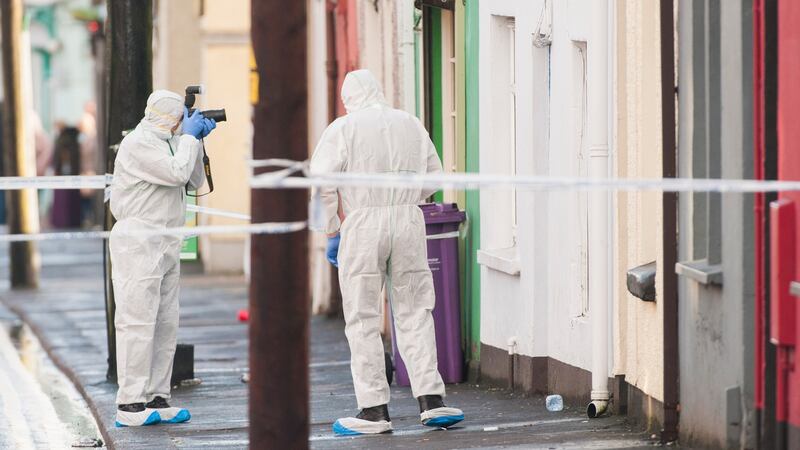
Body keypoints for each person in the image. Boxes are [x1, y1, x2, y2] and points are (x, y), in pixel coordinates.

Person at [310, 69, 464, 436]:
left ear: (349, 99)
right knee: (415, 309)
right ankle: (431, 400)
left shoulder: (342, 129)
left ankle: (374, 410)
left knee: (362, 317)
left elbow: (322, 184)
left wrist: (331, 228)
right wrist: (405, 200)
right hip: (409, 221)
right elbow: (432, 178)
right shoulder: (409, 124)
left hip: (363, 223)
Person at [109, 90, 216, 427]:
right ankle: (130, 403)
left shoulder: (174, 140)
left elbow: (194, 179)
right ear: (168, 118)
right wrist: (187, 138)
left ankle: (157, 395)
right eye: (180, 118)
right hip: (138, 241)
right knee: (137, 321)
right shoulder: (138, 143)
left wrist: (196, 142)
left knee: (165, 322)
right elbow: (175, 173)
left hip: (167, 239)